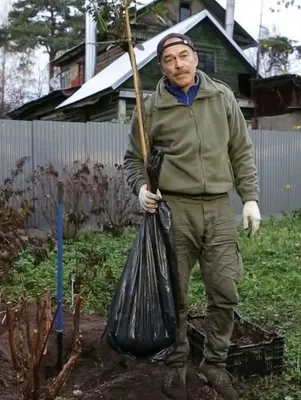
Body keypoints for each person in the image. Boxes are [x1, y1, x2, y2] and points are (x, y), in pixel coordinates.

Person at [123, 32, 261, 400]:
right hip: (175, 211)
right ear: (162, 68)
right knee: (175, 294)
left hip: (218, 209)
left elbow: (241, 151)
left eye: (184, 55)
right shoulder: (150, 107)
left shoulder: (223, 98)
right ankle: (177, 364)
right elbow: (134, 159)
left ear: (196, 58)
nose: (178, 64)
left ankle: (214, 364)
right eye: (170, 60)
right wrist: (141, 188)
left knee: (225, 290)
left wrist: (249, 198)